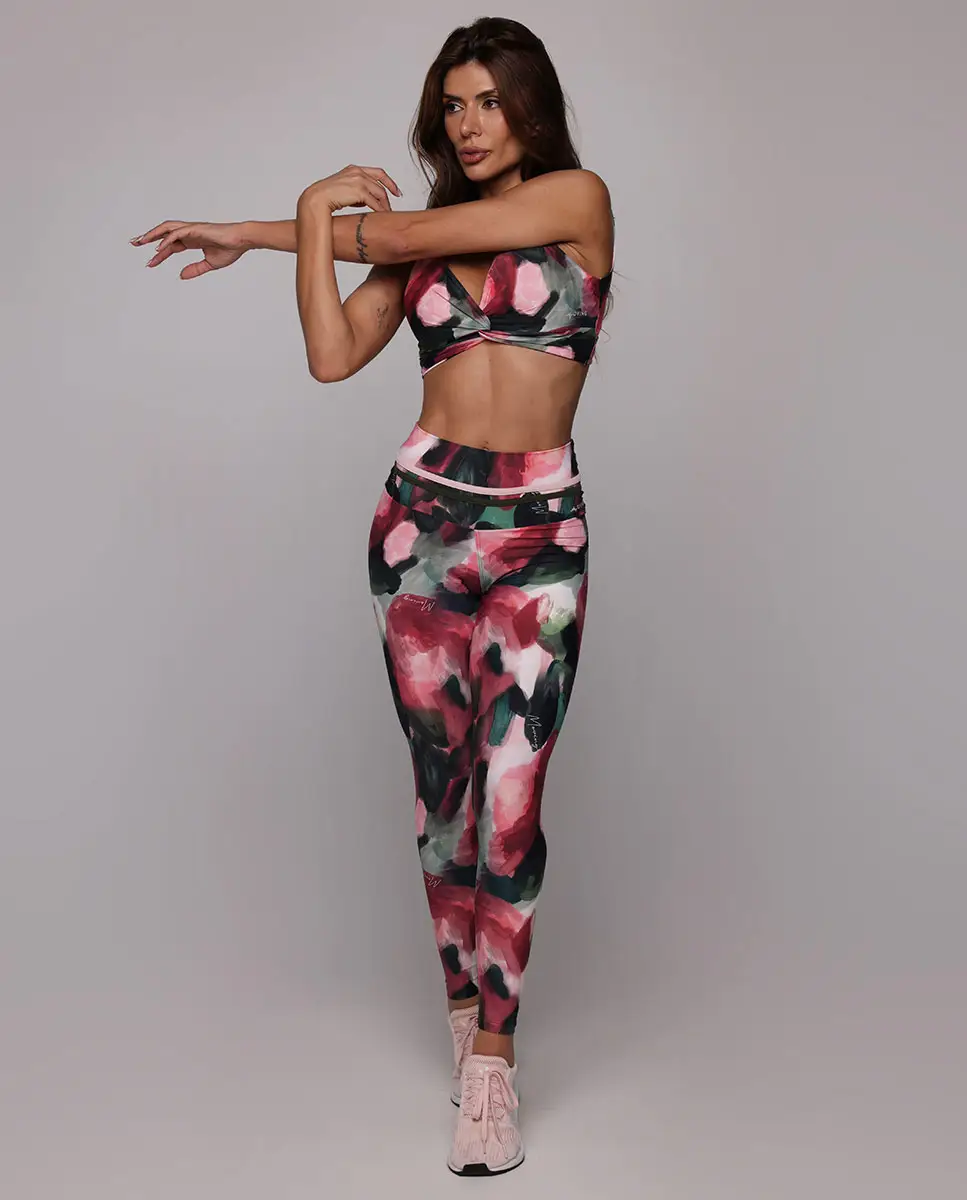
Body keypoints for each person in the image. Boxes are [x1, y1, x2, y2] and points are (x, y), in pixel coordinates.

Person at [130, 16, 615, 1178]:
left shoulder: (577, 202)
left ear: (531, 107)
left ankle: (493, 1064)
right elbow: (332, 355)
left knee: (511, 798)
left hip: (538, 535)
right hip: (420, 527)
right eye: (452, 105)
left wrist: (280, 222)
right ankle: (462, 1004)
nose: (469, 124)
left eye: (489, 100)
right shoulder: (414, 250)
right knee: (445, 797)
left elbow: (395, 229)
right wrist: (301, 223)